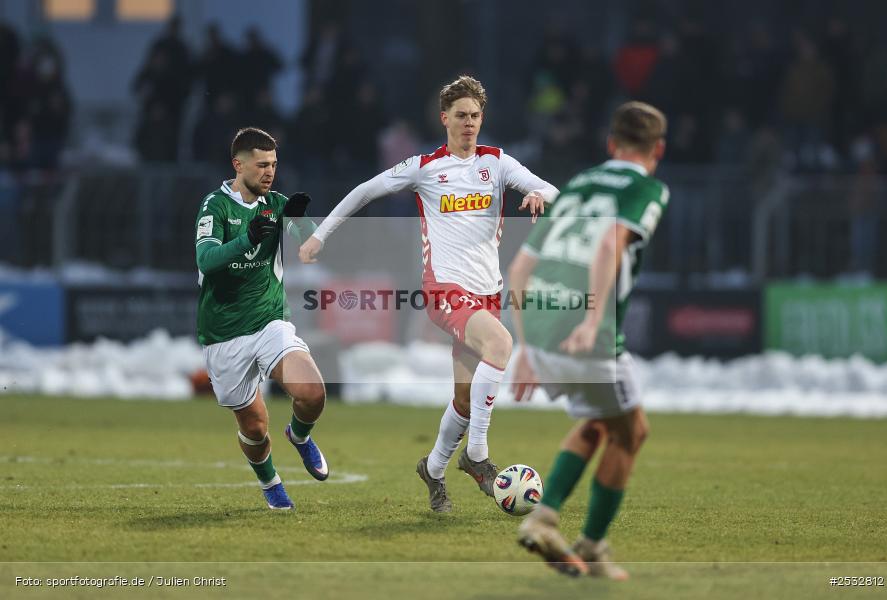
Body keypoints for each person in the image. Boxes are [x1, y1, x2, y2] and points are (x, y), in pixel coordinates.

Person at [298, 75, 559, 512]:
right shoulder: (425, 167)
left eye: (476, 116)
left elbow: (550, 187)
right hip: (444, 290)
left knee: (463, 398)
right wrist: (320, 236)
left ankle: (434, 470)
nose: (470, 123)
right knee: (501, 343)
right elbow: (365, 191)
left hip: (487, 294)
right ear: (445, 118)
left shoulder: (496, 162)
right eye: (461, 115)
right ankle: (477, 456)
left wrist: (536, 193)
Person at [507, 101, 669, 577]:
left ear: (610, 143)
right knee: (632, 431)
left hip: (540, 324)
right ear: (657, 149)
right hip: (588, 334)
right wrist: (592, 321)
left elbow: (520, 267)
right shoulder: (647, 187)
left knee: (600, 423)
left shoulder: (577, 183)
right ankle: (588, 543)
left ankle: (547, 519)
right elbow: (608, 244)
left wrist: (525, 347)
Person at [194, 127, 328, 510]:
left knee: (312, 392)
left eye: (274, 164)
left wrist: (303, 222)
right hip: (223, 333)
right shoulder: (214, 207)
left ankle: (300, 436)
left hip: (270, 319)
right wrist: (247, 240)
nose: (270, 172)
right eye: (261, 165)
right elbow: (207, 261)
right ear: (238, 165)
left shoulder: (277, 203)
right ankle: (270, 481)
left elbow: (312, 248)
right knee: (254, 427)